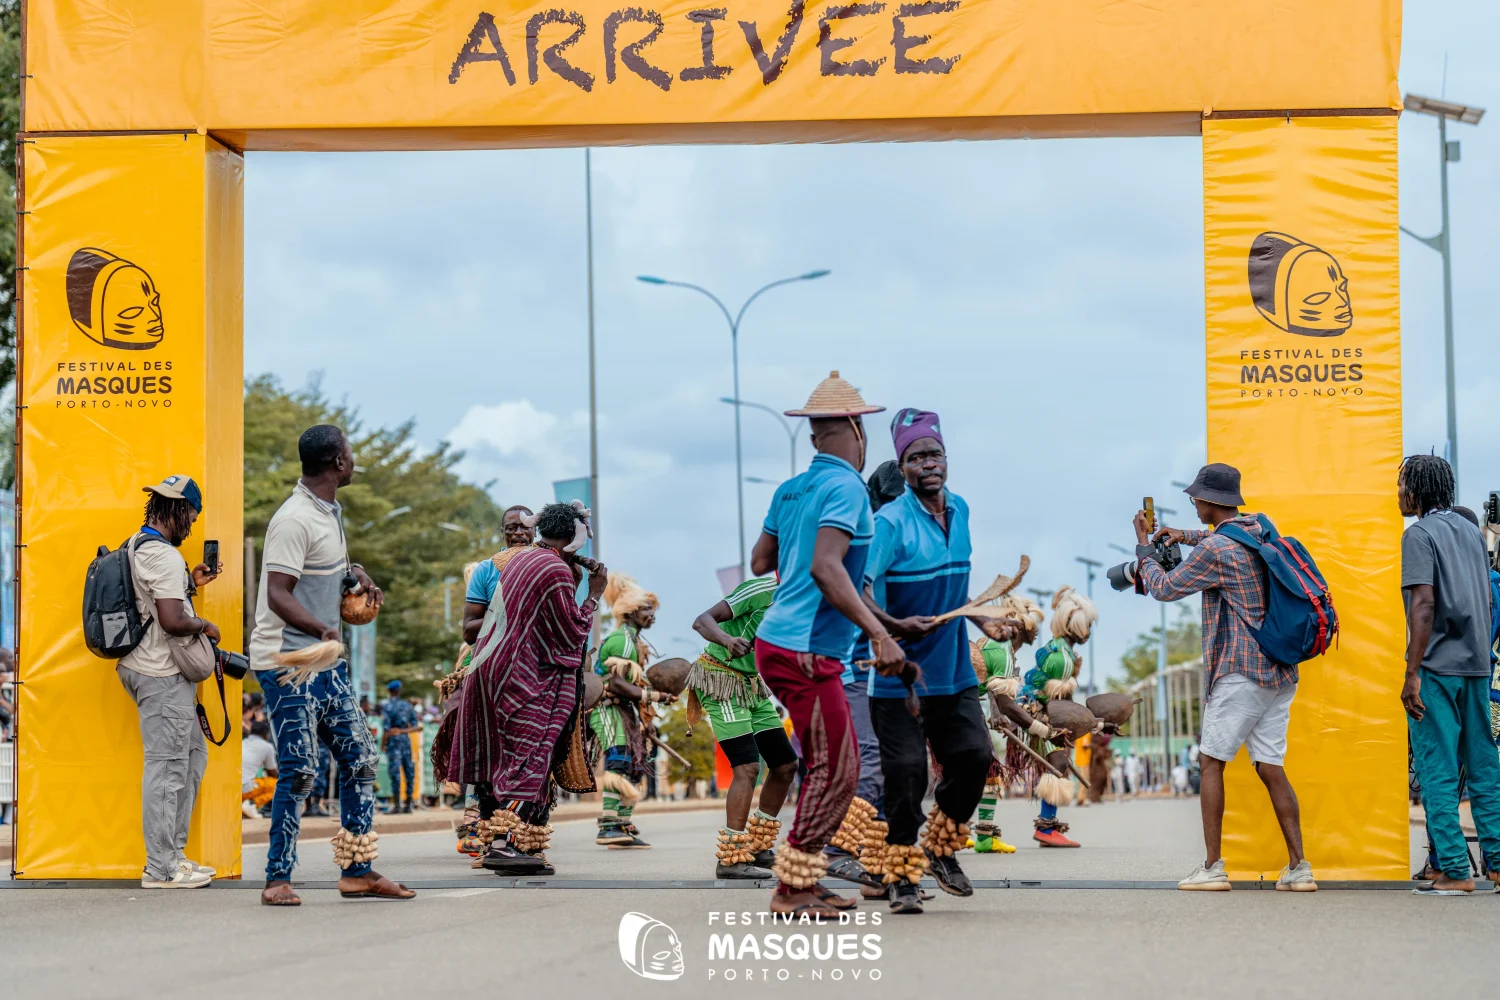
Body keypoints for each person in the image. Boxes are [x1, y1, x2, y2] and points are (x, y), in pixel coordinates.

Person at [750, 371, 907, 918]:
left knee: (831, 765)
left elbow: (761, 561)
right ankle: (791, 887)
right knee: (837, 769)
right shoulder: (847, 488)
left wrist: (883, 622)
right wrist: (880, 634)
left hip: (779, 641)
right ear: (857, 430)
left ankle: (806, 879)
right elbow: (826, 567)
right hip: (807, 649)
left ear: (815, 434)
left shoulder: (790, 489)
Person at [1132, 462, 1315, 892]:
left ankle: (1212, 868)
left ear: (1209, 500)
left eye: (1196, 498)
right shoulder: (1260, 527)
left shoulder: (1216, 551)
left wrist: (1143, 548)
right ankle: (1299, 868)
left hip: (1240, 671)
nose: (1193, 504)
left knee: (1210, 762)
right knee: (1270, 766)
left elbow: (1165, 588)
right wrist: (1183, 535)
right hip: (1279, 670)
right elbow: (1220, 537)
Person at [251, 424, 412, 906]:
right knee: (300, 769)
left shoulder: (328, 512)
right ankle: (277, 878)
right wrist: (322, 630)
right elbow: (278, 593)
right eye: (350, 453)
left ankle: (357, 871)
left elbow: (324, 571)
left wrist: (354, 574)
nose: (354, 459)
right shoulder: (293, 519)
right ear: (338, 463)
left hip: (326, 663)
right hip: (288, 662)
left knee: (361, 760)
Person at [858, 408, 997, 913]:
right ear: (903, 467)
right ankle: (900, 876)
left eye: (934, 454)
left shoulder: (961, 510)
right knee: (907, 774)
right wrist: (891, 628)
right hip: (900, 679)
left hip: (954, 672)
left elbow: (955, 586)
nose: (928, 464)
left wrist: (983, 619)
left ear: (946, 459)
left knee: (975, 757)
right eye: (916, 458)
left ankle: (940, 848)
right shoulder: (889, 522)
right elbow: (859, 589)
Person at [447, 501, 606, 876]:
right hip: (522, 676)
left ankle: (503, 843)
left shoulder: (520, 562)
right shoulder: (553, 568)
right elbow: (570, 633)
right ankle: (506, 846)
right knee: (533, 754)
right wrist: (594, 595)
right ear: (574, 539)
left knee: (500, 758)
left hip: (487, 669)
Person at [1397, 456, 1500, 895]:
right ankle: (1497, 865)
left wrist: (1412, 672)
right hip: (1476, 665)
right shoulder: (1470, 533)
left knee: (1436, 768)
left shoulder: (1418, 534)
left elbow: (1424, 603)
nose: (1398, 493)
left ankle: (1456, 870)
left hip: (1437, 666)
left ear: (1416, 491)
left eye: (1402, 484)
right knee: (1483, 766)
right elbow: (1485, 598)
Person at [116, 475, 223, 888]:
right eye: (191, 518)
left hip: (146, 667)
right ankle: (160, 869)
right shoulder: (163, 556)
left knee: (192, 757)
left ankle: (174, 856)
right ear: (179, 510)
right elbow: (172, 621)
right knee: (166, 768)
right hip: (160, 674)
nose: (190, 527)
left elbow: (150, 601)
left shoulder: (137, 544)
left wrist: (190, 583)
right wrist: (206, 625)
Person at [688, 576, 800, 879]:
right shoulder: (761, 590)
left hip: (752, 687)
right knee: (748, 767)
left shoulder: (805, 599)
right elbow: (701, 621)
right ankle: (731, 858)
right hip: (721, 680)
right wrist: (727, 640)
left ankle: (758, 846)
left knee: (786, 765)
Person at [590, 573, 672, 849]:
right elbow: (617, 683)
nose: (652, 614)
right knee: (619, 760)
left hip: (623, 711)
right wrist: (655, 695)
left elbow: (632, 685)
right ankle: (609, 826)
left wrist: (646, 718)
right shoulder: (621, 640)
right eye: (646, 609)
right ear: (631, 612)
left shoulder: (633, 641)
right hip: (607, 709)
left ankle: (622, 824)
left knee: (635, 764)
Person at [973, 592, 1046, 850]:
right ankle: (975, 836)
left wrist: (997, 715)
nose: (1036, 633)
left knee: (978, 769)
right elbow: (1006, 703)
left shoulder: (997, 645)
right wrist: (1040, 729)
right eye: (1033, 628)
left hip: (960, 704)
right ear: (1021, 630)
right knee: (986, 768)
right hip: (959, 705)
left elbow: (992, 689)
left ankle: (962, 833)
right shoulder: (1002, 648)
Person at [462, 505, 536, 644]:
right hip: (501, 653)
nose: (518, 532)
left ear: (535, 531)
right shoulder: (485, 570)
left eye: (525, 527)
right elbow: (468, 633)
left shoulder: (550, 565)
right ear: (502, 533)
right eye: (511, 528)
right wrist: (508, 614)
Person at [381, 679, 420, 813]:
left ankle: (397, 805)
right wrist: (403, 731)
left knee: (395, 773)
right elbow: (416, 727)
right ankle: (408, 805)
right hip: (406, 741)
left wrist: (383, 744)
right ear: (399, 691)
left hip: (393, 742)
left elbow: (386, 729)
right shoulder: (408, 706)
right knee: (409, 772)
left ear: (389, 691)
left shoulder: (387, 706)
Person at [242, 718, 279, 819]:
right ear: (266, 735)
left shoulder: (243, 742)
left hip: (231, 789)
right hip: (244, 790)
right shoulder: (267, 746)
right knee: (278, 785)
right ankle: (251, 804)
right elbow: (272, 772)